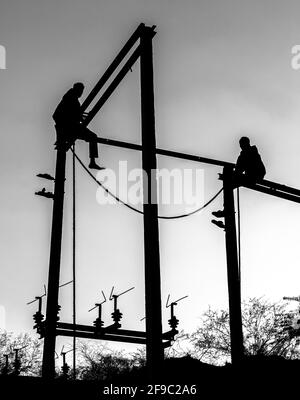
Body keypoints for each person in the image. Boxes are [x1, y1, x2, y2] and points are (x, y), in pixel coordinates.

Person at [53, 82, 104, 170]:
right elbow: (75, 116)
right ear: (77, 90)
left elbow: (77, 115)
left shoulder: (71, 98)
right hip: (69, 128)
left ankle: (92, 162)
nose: (81, 93)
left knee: (92, 137)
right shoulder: (70, 98)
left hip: (69, 127)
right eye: (81, 91)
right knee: (93, 136)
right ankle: (92, 162)